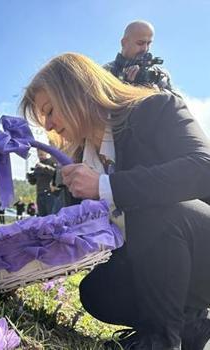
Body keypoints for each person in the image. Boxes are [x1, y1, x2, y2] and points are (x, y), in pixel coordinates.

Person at [21, 52, 210, 349]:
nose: (49, 126)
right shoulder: (81, 163)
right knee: (98, 291)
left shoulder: (156, 108)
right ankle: (188, 325)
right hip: (157, 265)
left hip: (201, 251)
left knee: (149, 207)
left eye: (49, 110)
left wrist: (106, 185)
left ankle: (160, 339)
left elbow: (204, 169)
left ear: (75, 91)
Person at [104, 20, 175, 93]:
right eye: (140, 43)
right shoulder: (105, 73)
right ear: (124, 42)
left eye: (149, 43)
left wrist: (159, 92)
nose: (145, 48)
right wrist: (125, 88)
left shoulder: (159, 73)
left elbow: (181, 102)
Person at [27, 150, 57, 216]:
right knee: (41, 216)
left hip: (49, 193)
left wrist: (44, 167)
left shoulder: (51, 161)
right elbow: (34, 181)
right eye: (39, 153)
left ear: (46, 152)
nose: (40, 155)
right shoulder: (37, 165)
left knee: (51, 216)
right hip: (39, 193)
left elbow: (55, 173)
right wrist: (30, 178)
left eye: (41, 153)